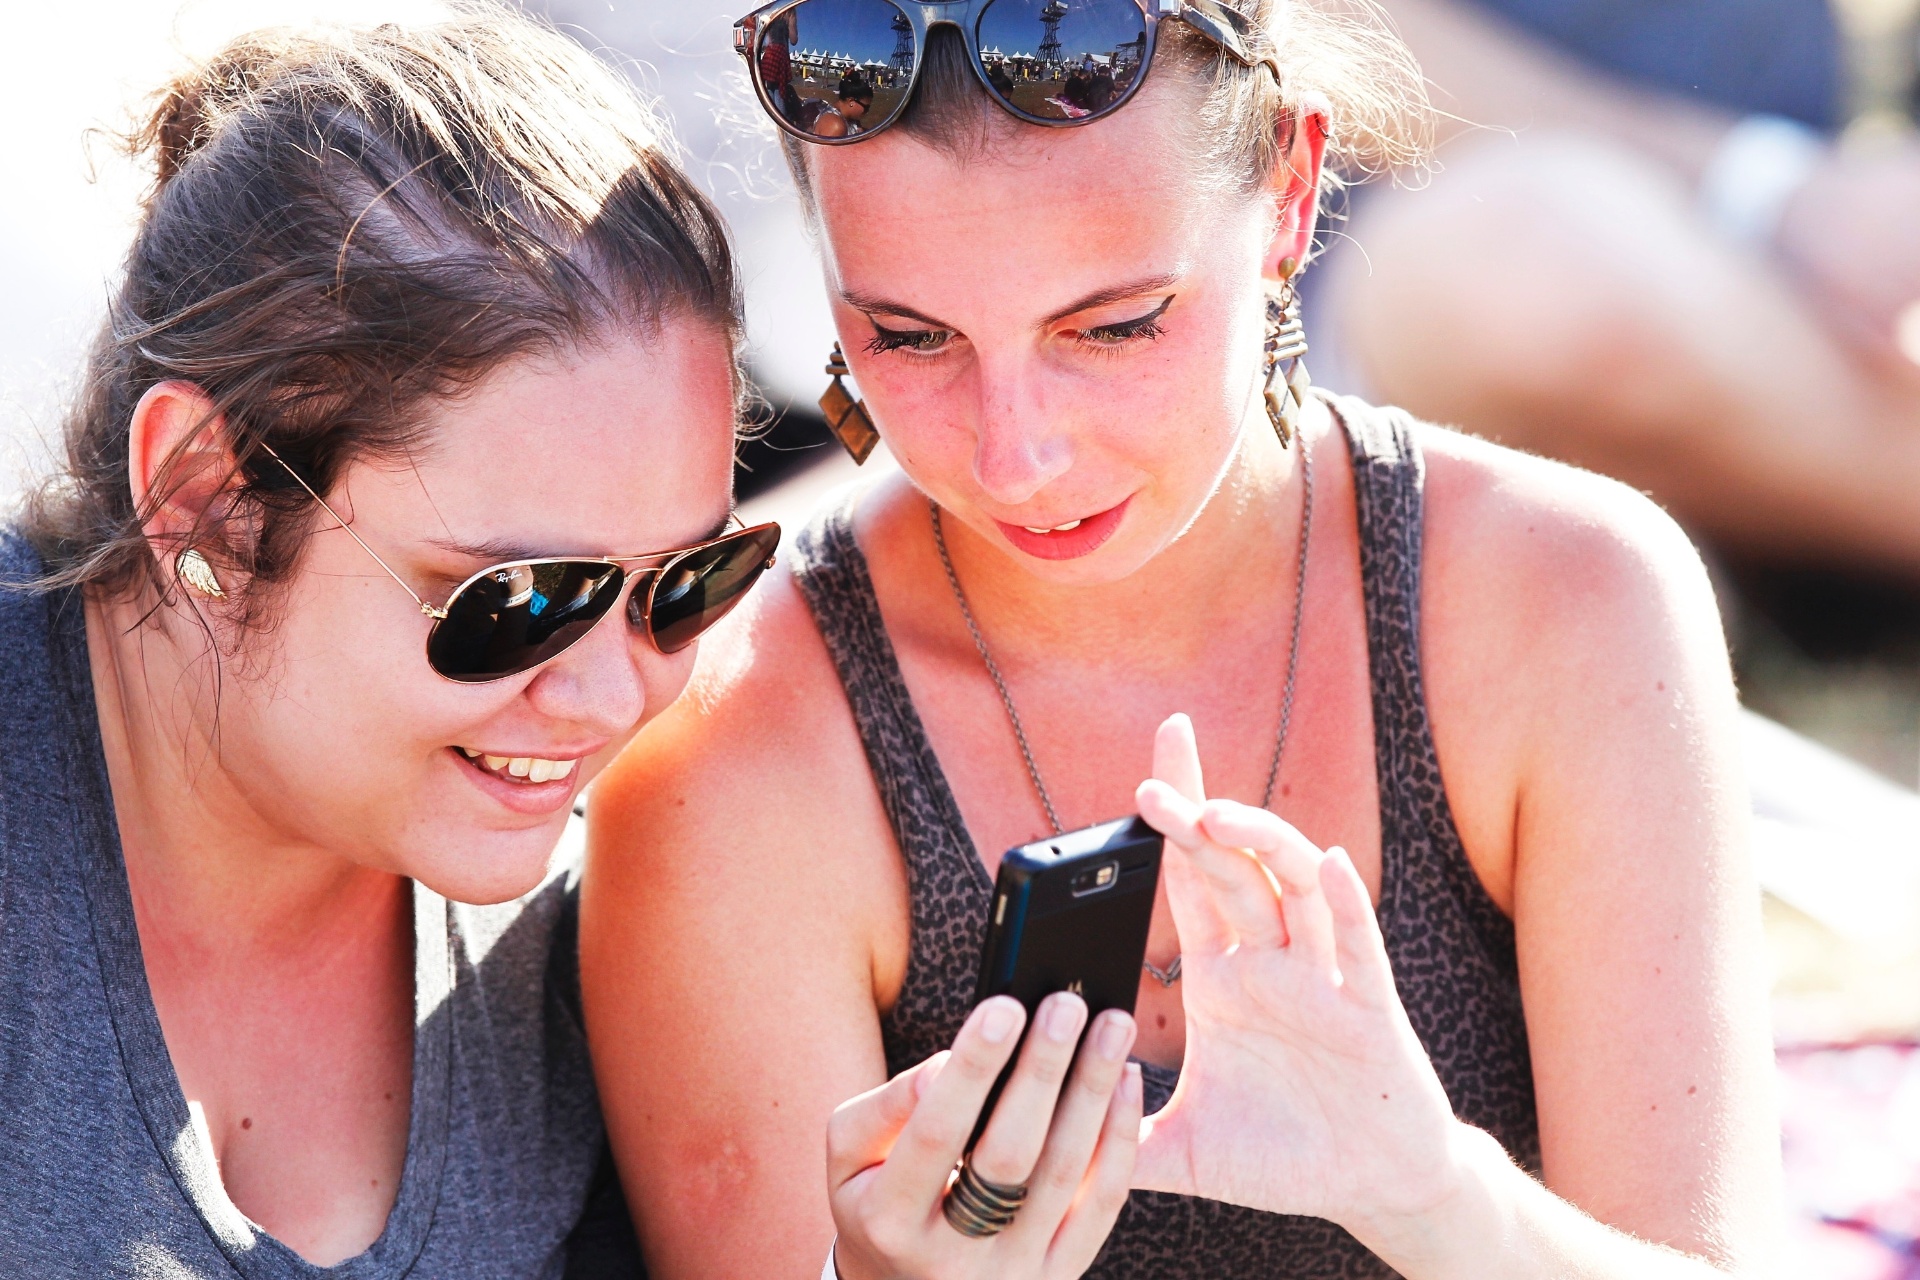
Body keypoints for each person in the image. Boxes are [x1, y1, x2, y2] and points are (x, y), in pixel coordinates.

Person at [584, 2, 1780, 1278]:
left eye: (1113, 325)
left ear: (1291, 194)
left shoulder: (1568, 600)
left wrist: (1434, 1196)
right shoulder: (733, 729)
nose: (1016, 457)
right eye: (909, 335)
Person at [0, 13, 789, 1276]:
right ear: (204, 503)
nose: (609, 696)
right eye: (517, 600)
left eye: (685, 583)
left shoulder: (625, 909)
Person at [1312, 0, 1920, 581]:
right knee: (1529, 261)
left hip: (1771, 269)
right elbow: (1295, 32)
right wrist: (1763, 186)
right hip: (1367, 256)